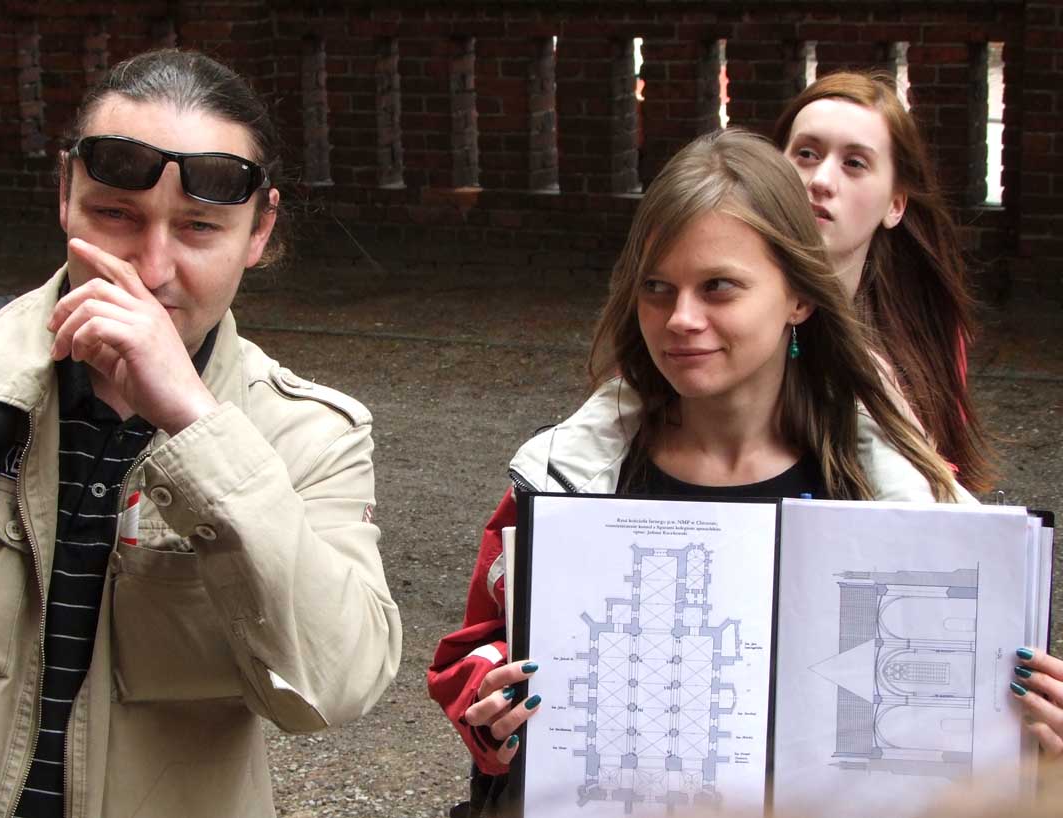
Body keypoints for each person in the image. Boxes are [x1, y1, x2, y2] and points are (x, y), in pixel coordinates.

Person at [427, 129, 1056, 817]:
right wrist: (491, 703)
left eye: (718, 287)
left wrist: (1034, 733)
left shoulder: (898, 494)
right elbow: (472, 651)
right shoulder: (564, 476)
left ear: (800, 297)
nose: (681, 318)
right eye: (656, 288)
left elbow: (963, 730)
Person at [0, 49, 401, 818]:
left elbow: (338, 685)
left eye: (199, 228)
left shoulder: (306, 436)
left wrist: (199, 428)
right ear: (65, 194)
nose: (151, 269)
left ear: (259, 230)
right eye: (116, 216)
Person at [773, 70, 994, 493]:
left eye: (854, 163)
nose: (821, 181)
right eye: (806, 154)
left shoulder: (926, 329)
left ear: (895, 205)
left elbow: (938, 481)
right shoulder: (713, 300)